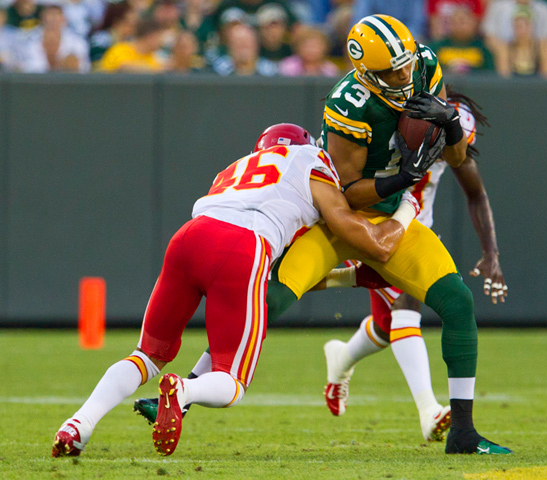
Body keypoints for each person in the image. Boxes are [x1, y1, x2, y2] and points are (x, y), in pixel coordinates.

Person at [135, 14, 512, 456]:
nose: (405, 75)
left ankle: (463, 433)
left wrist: (449, 124)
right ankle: (187, 391)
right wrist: (402, 178)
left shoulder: (424, 64)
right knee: (266, 301)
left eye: (407, 64)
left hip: (395, 219)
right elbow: (346, 192)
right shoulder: (349, 104)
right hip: (338, 219)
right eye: (393, 71)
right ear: (367, 72)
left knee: (458, 302)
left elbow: (459, 157)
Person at [51, 122, 428, 458]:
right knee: (232, 382)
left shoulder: (234, 170)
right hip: (242, 245)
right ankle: (184, 390)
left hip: (189, 236)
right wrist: (401, 206)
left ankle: (79, 424)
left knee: (146, 356)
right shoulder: (312, 162)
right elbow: (309, 254)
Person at [319, 87, 507, 443]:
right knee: (406, 310)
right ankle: (429, 411)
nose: (450, 156)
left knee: (386, 326)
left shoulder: (449, 138)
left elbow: (476, 194)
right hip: (370, 223)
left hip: (414, 231)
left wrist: (491, 253)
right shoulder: (396, 126)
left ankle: (342, 356)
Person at [428, 5, 494, 74]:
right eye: (454, 22)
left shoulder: (483, 49)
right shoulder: (436, 47)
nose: (458, 26)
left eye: (462, 22)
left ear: (473, 24)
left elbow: (490, 74)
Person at [97, 18, 165, 73]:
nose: (161, 42)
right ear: (150, 37)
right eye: (159, 37)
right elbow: (121, 67)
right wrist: (152, 70)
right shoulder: (120, 49)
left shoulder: (153, 59)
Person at [89, 0, 138, 67]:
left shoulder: (130, 41)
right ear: (117, 22)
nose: (132, 29)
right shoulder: (102, 39)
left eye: (135, 25)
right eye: (130, 25)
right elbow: (96, 64)